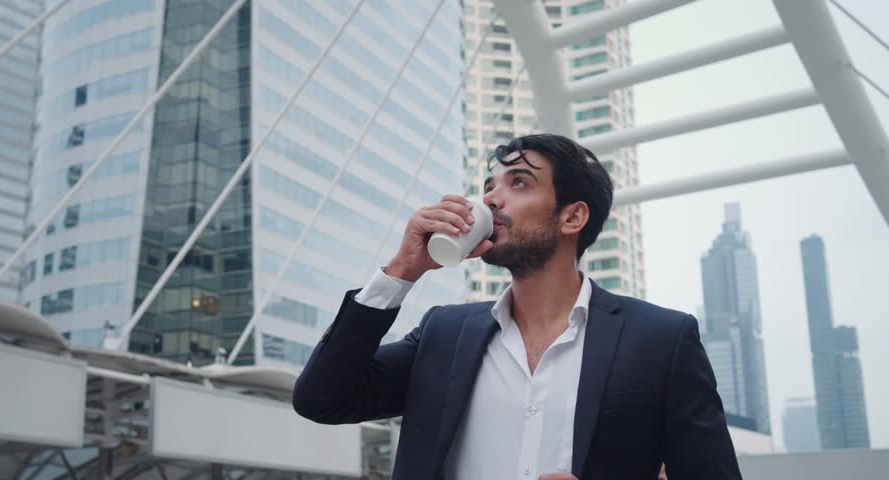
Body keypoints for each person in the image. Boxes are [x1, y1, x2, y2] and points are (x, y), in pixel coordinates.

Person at [293, 134, 742, 480]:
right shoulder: (443, 334)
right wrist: (401, 271)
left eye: (519, 183)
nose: (490, 199)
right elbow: (321, 400)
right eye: (488, 186)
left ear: (572, 217)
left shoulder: (661, 340)